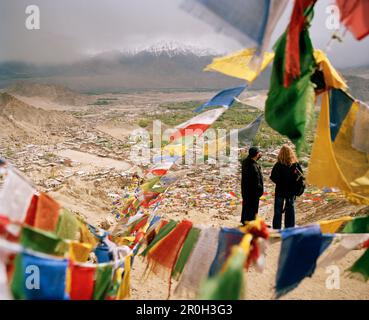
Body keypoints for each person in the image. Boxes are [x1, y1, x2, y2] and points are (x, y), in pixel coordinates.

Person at [270, 145, 303, 229]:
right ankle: (289, 229)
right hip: (291, 192)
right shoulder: (295, 165)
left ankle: (277, 229)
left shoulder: (278, 165)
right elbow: (301, 177)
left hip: (280, 191)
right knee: (290, 210)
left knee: (278, 211)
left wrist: (280, 183)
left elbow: (273, 177)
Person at [241, 146, 264, 225]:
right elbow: (257, 180)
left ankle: (245, 220)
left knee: (246, 205)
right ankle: (251, 222)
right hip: (253, 191)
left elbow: (252, 160)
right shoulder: (253, 166)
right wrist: (260, 190)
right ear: (256, 154)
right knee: (253, 207)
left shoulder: (246, 162)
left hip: (246, 189)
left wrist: (257, 157)